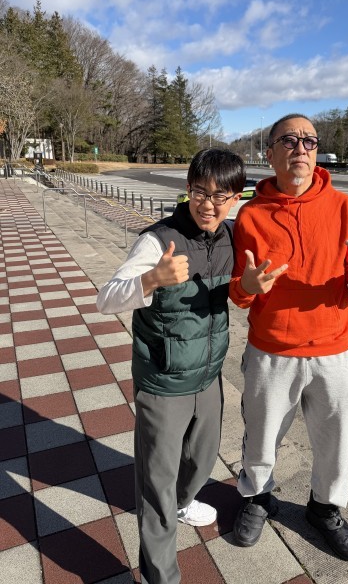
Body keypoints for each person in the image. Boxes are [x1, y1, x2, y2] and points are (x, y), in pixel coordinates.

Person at [229, 114, 348, 562]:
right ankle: (258, 497)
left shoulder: (345, 208)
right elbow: (239, 293)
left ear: (317, 152)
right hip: (271, 352)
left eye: (309, 141)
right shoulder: (251, 215)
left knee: (335, 441)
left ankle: (325, 509)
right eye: (289, 140)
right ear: (269, 154)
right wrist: (246, 287)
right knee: (261, 436)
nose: (300, 148)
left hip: (334, 352)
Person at [96, 148, 246, 584]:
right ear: (188, 190)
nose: (208, 204)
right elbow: (106, 298)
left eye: (219, 196)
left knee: (201, 460)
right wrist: (151, 279)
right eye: (199, 192)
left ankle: (183, 503)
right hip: (162, 381)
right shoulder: (158, 240)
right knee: (156, 484)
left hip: (208, 376)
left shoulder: (232, 237)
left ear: (235, 198)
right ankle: (160, 575)